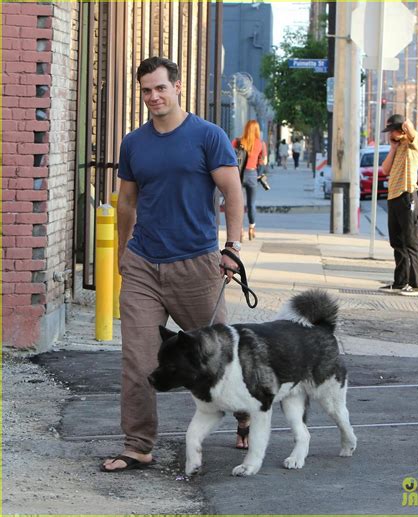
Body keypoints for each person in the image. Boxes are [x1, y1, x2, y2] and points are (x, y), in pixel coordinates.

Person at [101, 56, 244, 472]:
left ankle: (246, 415)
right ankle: (138, 445)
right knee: (139, 361)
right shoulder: (134, 143)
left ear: (178, 86)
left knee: (218, 358)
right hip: (144, 263)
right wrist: (124, 250)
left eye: (160, 87)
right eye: (146, 90)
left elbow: (232, 194)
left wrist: (232, 246)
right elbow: (127, 201)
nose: (153, 97)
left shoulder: (207, 136)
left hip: (196, 265)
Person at [379, 114, 418, 297]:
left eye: (392, 130)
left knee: (411, 241)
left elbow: (412, 131)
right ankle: (400, 282)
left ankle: (414, 285)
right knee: (397, 242)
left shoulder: (416, 142)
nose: (390, 134)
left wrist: (406, 127)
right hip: (393, 197)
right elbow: (385, 169)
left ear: (400, 129)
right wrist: (392, 147)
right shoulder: (397, 147)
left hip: (407, 196)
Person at [232, 120, 267, 242]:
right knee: (251, 203)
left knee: (238, 204)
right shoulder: (261, 144)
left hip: (239, 175)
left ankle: (239, 230)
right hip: (252, 174)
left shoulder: (237, 142)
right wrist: (260, 173)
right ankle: (252, 228)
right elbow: (263, 161)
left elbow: (229, 154)